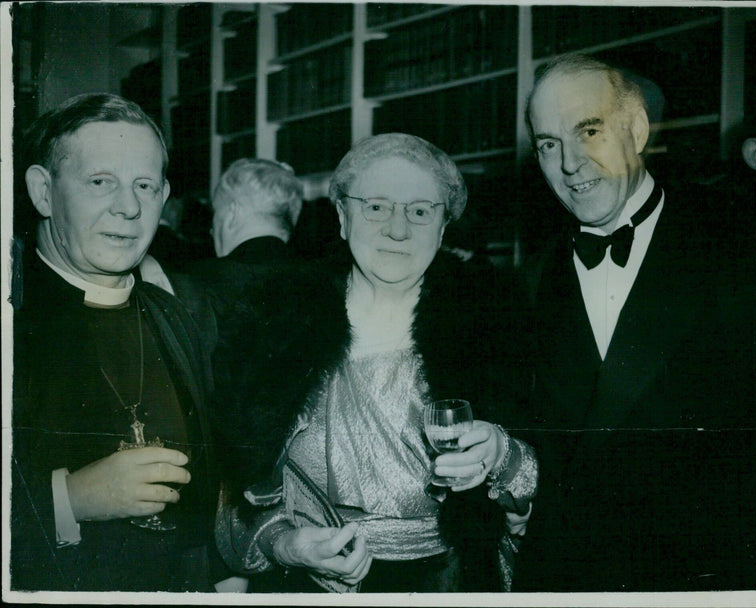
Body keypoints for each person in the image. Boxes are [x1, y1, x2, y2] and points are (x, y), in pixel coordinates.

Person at [213, 133, 538, 592]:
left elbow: (541, 493)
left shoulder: (494, 325)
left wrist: (502, 456)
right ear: (343, 217)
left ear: (444, 227)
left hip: (452, 587)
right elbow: (236, 505)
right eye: (377, 207)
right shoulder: (273, 328)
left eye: (421, 211)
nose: (399, 230)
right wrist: (287, 544)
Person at [515, 54, 756, 592]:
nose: (569, 164)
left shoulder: (752, 239)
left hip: (710, 575)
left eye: (588, 131)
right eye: (549, 144)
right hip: (569, 577)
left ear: (636, 129)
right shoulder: (528, 281)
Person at [11, 93, 228, 592]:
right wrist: (70, 499)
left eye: (145, 186)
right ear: (43, 192)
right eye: (100, 182)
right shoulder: (12, 319)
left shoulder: (179, 315)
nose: (128, 207)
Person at [169, 157, 304, 355]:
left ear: (232, 212)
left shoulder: (196, 282)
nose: (212, 230)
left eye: (215, 213)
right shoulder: (322, 281)